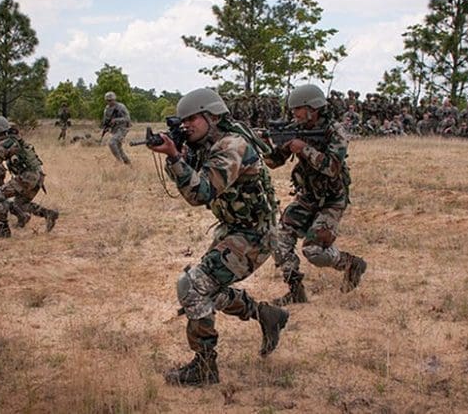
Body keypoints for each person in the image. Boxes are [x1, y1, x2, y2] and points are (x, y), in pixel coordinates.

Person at [146, 88, 289, 386]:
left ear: (212, 116)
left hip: (255, 234)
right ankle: (265, 314)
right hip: (235, 229)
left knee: (192, 286)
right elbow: (192, 185)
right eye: (183, 121)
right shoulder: (209, 144)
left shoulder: (231, 146)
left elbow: (200, 193)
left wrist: (175, 157)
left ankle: (205, 368)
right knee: (205, 290)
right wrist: (180, 156)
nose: (186, 126)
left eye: (192, 119)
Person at [264, 84, 367, 306]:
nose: (294, 114)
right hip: (307, 197)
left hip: (332, 199)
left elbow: (332, 167)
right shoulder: (295, 129)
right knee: (278, 240)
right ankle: (295, 291)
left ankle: (351, 264)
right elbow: (273, 162)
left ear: (313, 108)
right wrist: (266, 146)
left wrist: (303, 149)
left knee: (314, 251)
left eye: (298, 109)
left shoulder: (334, 132)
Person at [0, 116, 59, 238]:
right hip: (37, 175)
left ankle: (3, 230)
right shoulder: (14, 140)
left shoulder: (6, 143)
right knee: (21, 204)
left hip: (27, 176)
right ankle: (48, 214)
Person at [102, 91, 132, 164]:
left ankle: (119, 161)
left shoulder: (121, 107)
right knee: (118, 147)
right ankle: (128, 163)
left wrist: (116, 120)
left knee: (112, 143)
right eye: (108, 100)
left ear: (114, 99)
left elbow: (127, 118)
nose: (109, 102)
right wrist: (106, 127)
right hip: (114, 129)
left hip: (122, 128)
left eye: (111, 100)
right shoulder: (107, 109)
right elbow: (106, 121)